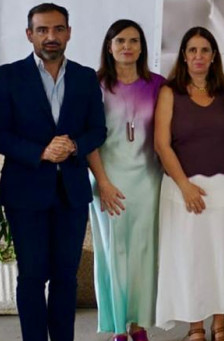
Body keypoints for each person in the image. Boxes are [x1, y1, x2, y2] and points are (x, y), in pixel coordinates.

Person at [0, 3, 107, 341]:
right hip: (25, 193)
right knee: (33, 276)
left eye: (57, 29)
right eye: (42, 30)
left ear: (68, 32)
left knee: (66, 277)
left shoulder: (84, 77)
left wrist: (74, 146)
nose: (50, 37)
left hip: (72, 193)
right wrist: (40, 151)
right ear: (29, 35)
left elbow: (98, 130)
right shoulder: (9, 76)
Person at [154, 27, 224, 341]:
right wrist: (184, 185)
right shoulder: (170, 92)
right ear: (184, 55)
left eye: (205, 50)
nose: (198, 56)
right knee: (191, 260)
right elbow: (161, 145)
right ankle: (195, 327)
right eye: (192, 50)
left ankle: (220, 325)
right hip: (184, 191)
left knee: (223, 258)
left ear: (213, 56)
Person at [87, 20, 166, 341]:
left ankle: (140, 324)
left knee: (145, 253)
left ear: (142, 47)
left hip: (148, 181)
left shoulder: (158, 85)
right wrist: (102, 181)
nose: (127, 47)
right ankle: (119, 327)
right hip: (108, 182)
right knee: (114, 252)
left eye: (134, 41)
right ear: (109, 46)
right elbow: (89, 138)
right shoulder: (94, 85)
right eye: (120, 41)